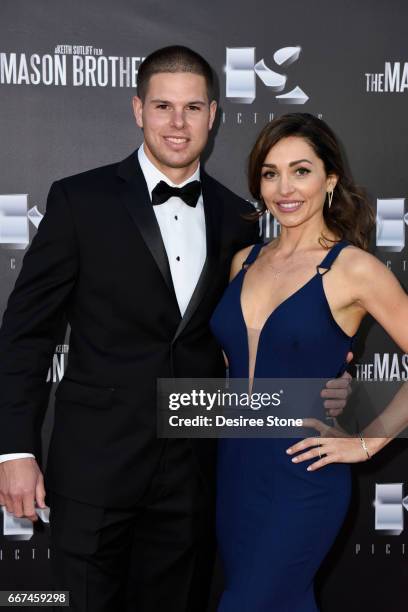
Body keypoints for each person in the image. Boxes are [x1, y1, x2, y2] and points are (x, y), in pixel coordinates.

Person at [0, 47, 349, 612]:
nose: (178, 123)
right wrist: (13, 450)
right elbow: (25, 334)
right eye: (163, 106)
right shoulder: (78, 200)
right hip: (95, 471)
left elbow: (261, 337)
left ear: (214, 114)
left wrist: (334, 386)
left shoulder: (240, 217)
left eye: (192, 108)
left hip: (193, 478)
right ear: (138, 109)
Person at [210, 113, 408, 612]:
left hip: (302, 473)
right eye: (270, 173)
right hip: (235, 471)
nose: (284, 188)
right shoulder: (245, 261)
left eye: (301, 170)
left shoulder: (353, 269)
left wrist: (368, 442)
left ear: (330, 180)